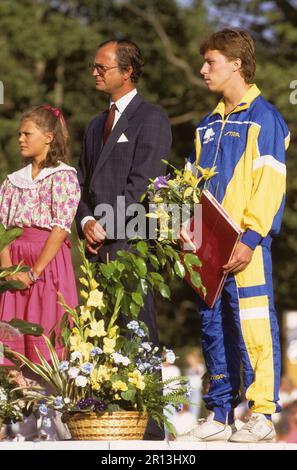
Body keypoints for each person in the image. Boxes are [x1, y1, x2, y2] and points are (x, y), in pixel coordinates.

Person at [179, 29, 290, 443]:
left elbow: (271, 184)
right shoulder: (206, 125)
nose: (203, 69)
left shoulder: (265, 117)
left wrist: (251, 236)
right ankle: (221, 411)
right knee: (212, 326)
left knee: (255, 325)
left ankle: (261, 414)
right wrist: (181, 227)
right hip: (207, 249)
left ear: (236, 64)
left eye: (211, 62)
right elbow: (188, 187)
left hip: (247, 245)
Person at [75, 39, 172, 439]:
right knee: (98, 337)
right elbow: (80, 185)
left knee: (137, 333)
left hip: (129, 246)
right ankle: (104, 423)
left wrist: (106, 226)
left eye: (103, 67)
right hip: (94, 250)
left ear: (127, 71)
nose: (95, 72)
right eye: (95, 67)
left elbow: (143, 184)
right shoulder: (94, 125)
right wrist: (84, 225)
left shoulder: (152, 119)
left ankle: (150, 434)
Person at [0, 105, 80, 367]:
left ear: (48, 137)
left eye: (27, 134)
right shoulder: (12, 182)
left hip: (48, 266)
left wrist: (33, 273)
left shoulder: (64, 177)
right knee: (11, 345)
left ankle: (48, 406)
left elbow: (60, 228)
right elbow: (2, 229)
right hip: (14, 261)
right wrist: (9, 272)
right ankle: (19, 403)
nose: (21, 139)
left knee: (46, 346)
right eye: (19, 134)